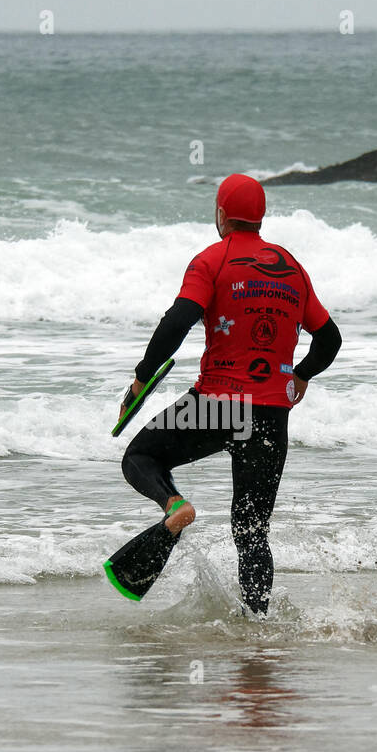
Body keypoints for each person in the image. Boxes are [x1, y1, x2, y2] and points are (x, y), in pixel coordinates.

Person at [117, 173, 341, 614]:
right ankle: (257, 626)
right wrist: (301, 375)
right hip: (272, 416)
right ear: (261, 217)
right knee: (252, 529)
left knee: (140, 458)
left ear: (220, 214)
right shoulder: (292, 268)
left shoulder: (212, 260)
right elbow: (329, 339)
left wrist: (142, 379)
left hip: (218, 408)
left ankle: (175, 505)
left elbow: (178, 320)